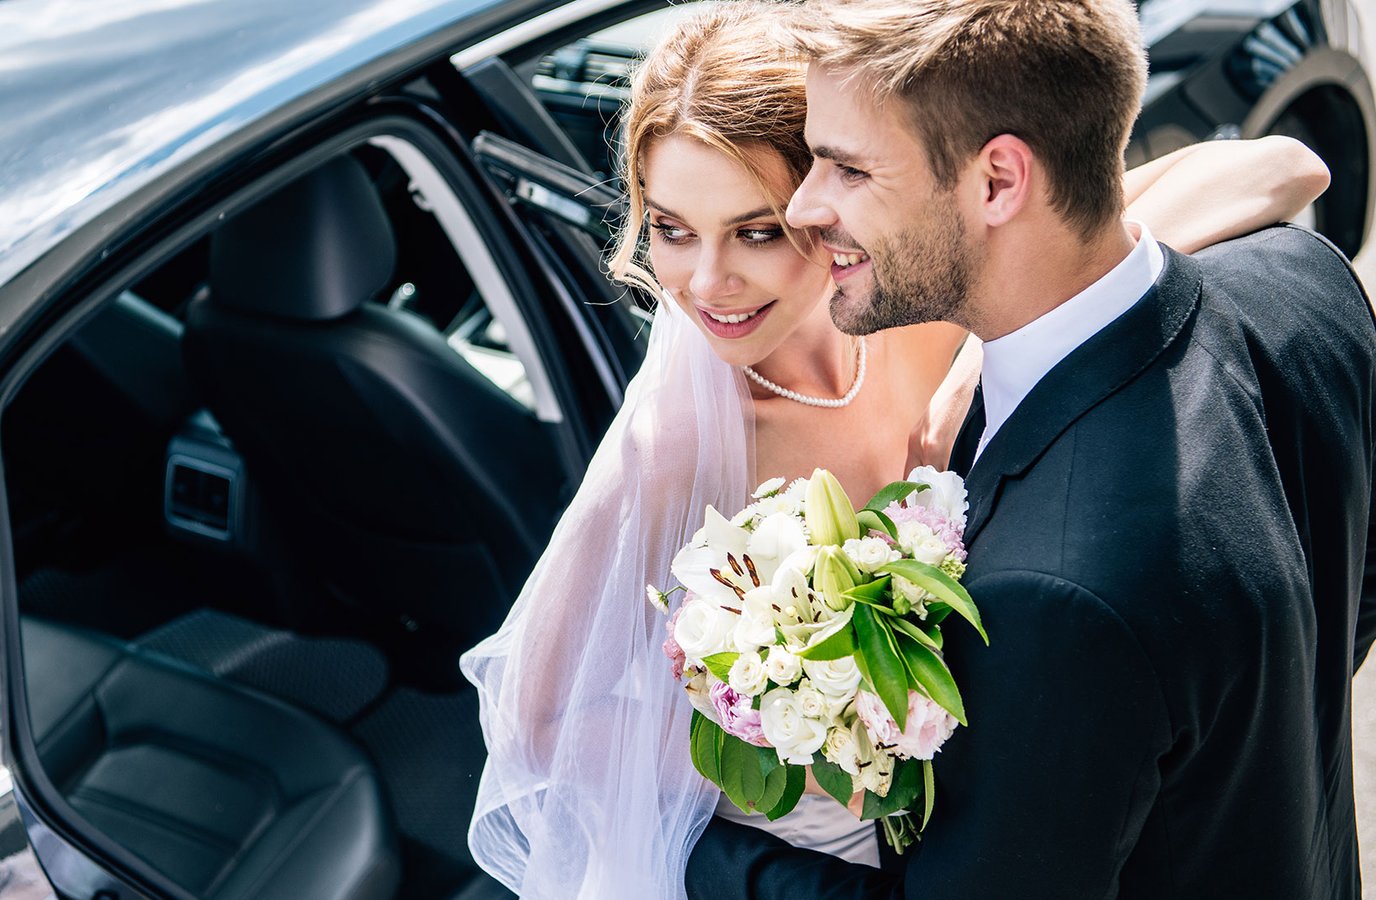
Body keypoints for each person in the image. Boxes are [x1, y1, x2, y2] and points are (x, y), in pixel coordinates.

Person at [461, 3, 1335, 898]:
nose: (704, 282)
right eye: (672, 228)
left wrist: (967, 375)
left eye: (758, 231)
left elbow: (1281, 166)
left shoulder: (917, 310)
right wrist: (784, 724)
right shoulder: (674, 448)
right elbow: (537, 725)